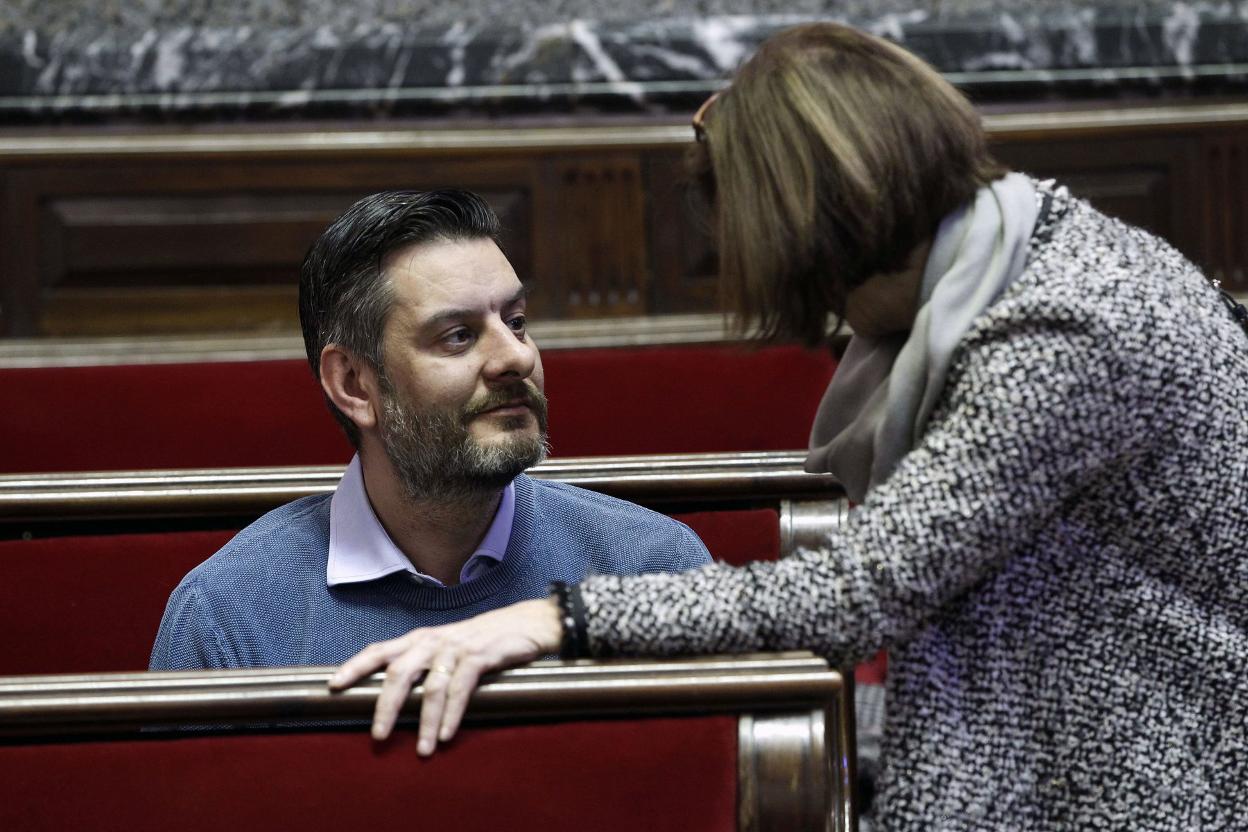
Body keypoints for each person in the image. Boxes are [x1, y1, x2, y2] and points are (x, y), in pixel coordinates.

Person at [329, 25, 1248, 831]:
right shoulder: (1033, 251)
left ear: (824, 239)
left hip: (1140, 769)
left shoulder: (1064, 330)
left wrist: (557, 617)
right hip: (1074, 728)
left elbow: (855, 598)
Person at [150, 189, 711, 671]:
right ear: (354, 384)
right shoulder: (227, 616)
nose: (514, 357)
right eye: (458, 337)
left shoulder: (649, 564)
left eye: (516, 323)